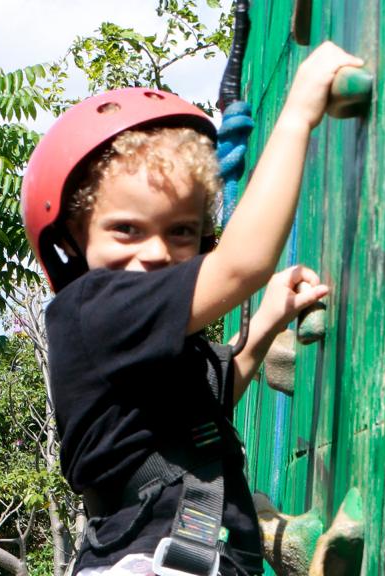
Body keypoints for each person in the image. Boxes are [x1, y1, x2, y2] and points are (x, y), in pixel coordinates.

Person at [21, 42, 363, 576]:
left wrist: (269, 319)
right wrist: (299, 113)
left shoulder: (148, 344)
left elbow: (211, 401)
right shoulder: (93, 311)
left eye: (180, 232)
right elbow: (242, 264)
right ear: (72, 236)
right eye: (126, 229)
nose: (156, 251)